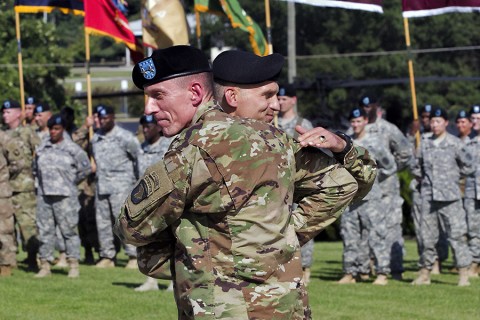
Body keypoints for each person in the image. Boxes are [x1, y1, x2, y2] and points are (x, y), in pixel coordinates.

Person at [115, 46, 360, 319]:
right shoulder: (273, 138)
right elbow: (341, 184)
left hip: (223, 308)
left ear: (195, 93)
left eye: (157, 96)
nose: (149, 109)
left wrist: (188, 255)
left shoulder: (193, 149)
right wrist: (284, 237)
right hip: (286, 306)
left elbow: (131, 228)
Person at [411, 107, 474, 286]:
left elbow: (468, 166)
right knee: (426, 237)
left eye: (438, 121)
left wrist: (452, 178)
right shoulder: (425, 142)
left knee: (457, 235)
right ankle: (425, 273)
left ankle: (463, 274)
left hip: (450, 197)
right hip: (429, 197)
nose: (435, 125)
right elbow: (416, 166)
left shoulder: (455, 143)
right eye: (432, 121)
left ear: (446, 123)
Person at [338, 107, 396, 285]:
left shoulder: (375, 142)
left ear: (365, 121)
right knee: (350, 235)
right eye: (353, 122)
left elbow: (390, 166)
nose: (355, 125)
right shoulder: (345, 142)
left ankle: (382, 272)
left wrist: (374, 179)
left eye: (359, 121)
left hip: (371, 196)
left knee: (377, 234)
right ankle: (351, 271)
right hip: (350, 196)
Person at [358, 95, 413, 280]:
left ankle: (396, 269)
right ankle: (367, 267)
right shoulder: (356, 129)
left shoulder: (388, 129)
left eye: (369, 106)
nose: (366, 109)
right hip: (366, 189)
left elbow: (405, 153)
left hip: (387, 189)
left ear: (376, 106)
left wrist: (388, 171)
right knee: (366, 227)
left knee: (392, 227)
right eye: (363, 107)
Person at [34, 114, 91, 278]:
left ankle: (73, 264)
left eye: (56, 129)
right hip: (44, 195)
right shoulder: (42, 147)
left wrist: (71, 181)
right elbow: (35, 168)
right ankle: (45, 265)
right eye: (51, 128)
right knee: (45, 231)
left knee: (69, 231)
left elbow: (85, 169)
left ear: (63, 129)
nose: (53, 132)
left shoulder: (72, 149)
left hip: (66, 196)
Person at [91, 105, 140, 269]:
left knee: (124, 222)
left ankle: (133, 255)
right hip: (102, 186)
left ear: (113, 117)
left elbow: (137, 158)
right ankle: (107, 256)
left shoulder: (125, 137)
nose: (103, 121)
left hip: (121, 186)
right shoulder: (96, 138)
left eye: (106, 118)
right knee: (103, 223)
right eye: (101, 118)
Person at [276, 83, 315, 285]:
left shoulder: (302, 124)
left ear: (293, 100)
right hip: (276, 184)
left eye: (284, 99)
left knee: (300, 224)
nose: (281, 103)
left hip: (297, 183)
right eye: (278, 98)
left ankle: (305, 267)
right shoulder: (271, 122)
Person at [135, 114, 174, 292]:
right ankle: (151, 281)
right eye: (143, 126)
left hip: (166, 201)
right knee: (148, 242)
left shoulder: (170, 146)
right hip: (146, 204)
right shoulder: (141, 148)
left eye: (149, 126)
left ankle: (174, 281)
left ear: (158, 127)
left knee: (173, 241)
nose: (145, 129)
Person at [2, 99, 41, 270]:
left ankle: (34, 258)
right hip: (6, 188)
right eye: (3, 112)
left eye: (8, 112)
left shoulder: (27, 132)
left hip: (23, 186)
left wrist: (4, 172)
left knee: (27, 225)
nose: (5, 115)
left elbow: (37, 153)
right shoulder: (3, 134)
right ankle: (9, 259)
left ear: (19, 113)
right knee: (7, 226)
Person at [61, 106, 99, 264]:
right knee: (74, 221)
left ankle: (95, 251)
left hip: (86, 183)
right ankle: (78, 252)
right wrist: (85, 127)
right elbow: (70, 143)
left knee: (88, 219)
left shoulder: (83, 133)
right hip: (70, 183)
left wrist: (87, 128)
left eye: (67, 117)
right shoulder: (62, 135)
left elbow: (79, 144)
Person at [0, 130, 26, 276]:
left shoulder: (3, 138)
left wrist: (4, 176)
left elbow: (18, 162)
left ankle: (6, 265)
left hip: (1, 193)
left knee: (3, 231)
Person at [464, 105, 480, 277]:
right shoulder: (467, 143)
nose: (475, 122)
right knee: (473, 229)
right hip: (471, 192)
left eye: (478, 118)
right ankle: (474, 263)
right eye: (473, 119)